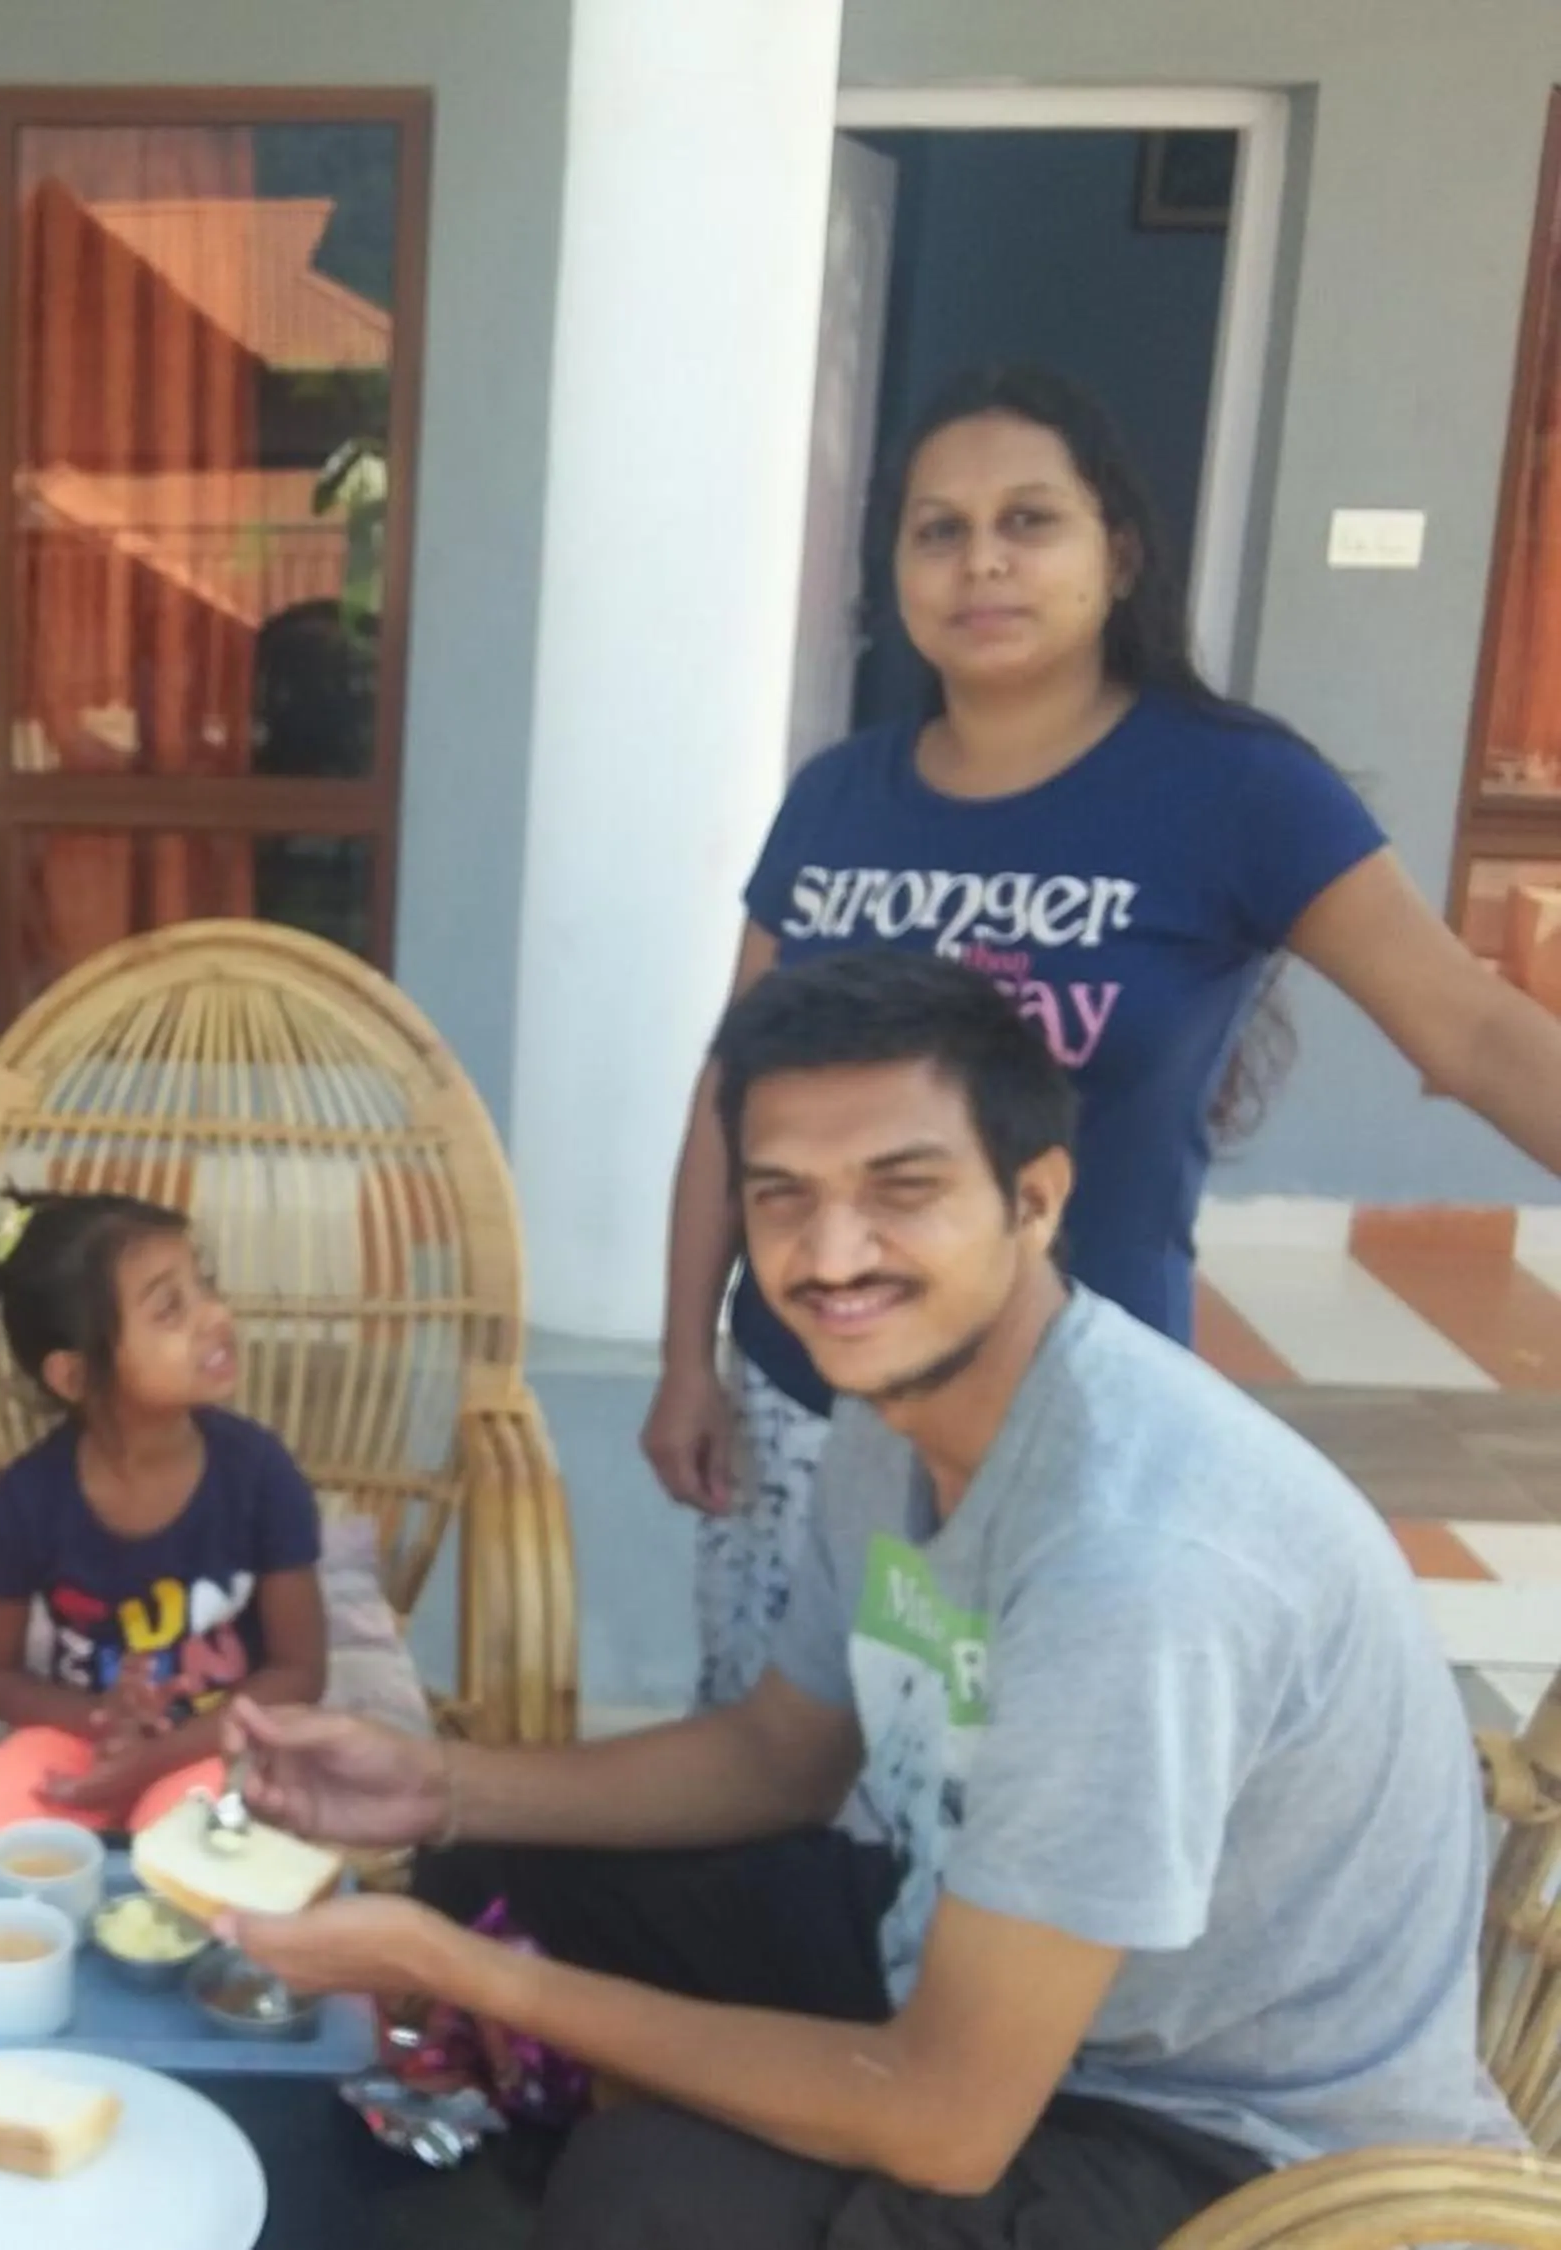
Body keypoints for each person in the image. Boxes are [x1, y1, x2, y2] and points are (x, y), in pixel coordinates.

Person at [216, 953, 1516, 2250]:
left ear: (1035, 1199)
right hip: (967, 1946)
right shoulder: (898, 1412)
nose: (832, 1256)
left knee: (649, 2191)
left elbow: (947, 2121)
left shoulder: (1132, 1564)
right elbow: (780, 1754)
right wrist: (433, 1781)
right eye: (784, 1197)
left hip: (1229, 2146)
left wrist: (468, 1973)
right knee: (501, 1863)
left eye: (903, 1191)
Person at [644, 364, 1561, 1711]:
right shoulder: (839, 797)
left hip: (1064, 1409)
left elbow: (1473, 1028)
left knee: (1007, 1787)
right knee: (775, 1768)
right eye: (938, 528)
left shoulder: (1235, 788)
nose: (982, 562)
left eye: (1030, 520)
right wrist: (686, 1360)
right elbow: (734, 1097)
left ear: (1118, 552)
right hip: (805, 1391)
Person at [0, 1189, 328, 1840]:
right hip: (86, 1734)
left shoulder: (260, 1475)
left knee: (184, 1873)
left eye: (203, 1287)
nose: (216, 1315)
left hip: (216, 1737)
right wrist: (100, 1718)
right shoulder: (27, 1499)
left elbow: (299, 1671)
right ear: (75, 1376)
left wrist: (157, 1757)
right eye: (170, 1309)